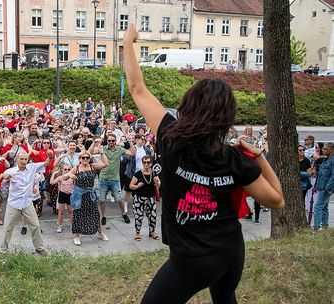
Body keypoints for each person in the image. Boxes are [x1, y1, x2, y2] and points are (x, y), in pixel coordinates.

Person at [123, 24, 284, 303]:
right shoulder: (234, 159)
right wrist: (258, 156)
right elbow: (277, 200)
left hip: (190, 261)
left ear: (189, 105)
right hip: (230, 252)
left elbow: (137, 89)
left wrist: (127, 41)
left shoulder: (171, 138)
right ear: (226, 118)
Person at [0, 151, 54, 255]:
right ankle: (3, 250)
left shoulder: (32, 167)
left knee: (35, 226)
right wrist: (3, 177)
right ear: (17, 159)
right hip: (14, 204)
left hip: (27, 203)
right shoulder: (11, 171)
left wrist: (50, 156)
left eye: (26, 159)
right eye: (21, 159)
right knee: (7, 228)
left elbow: (46, 163)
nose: (24, 161)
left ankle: (39, 248)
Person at [129, 155, 160, 241]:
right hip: (139, 198)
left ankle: (152, 232)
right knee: (138, 216)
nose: (146, 164)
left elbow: (158, 185)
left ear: (151, 163)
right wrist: (137, 186)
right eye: (144, 162)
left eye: (148, 162)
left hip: (150, 198)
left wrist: (157, 182)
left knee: (153, 216)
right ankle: (137, 233)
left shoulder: (154, 173)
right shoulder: (138, 173)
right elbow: (130, 186)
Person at [312, 142, 333, 231]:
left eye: (325, 149)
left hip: (326, 188)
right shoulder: (326, 159)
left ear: (332, 150)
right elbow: (320, 174)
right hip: (321, 186)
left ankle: (316, 227)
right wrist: (316, 186)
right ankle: (325, 226)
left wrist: (328, 188)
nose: (323, 150)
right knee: (324, 207)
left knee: (317, 207)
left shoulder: (332, 160)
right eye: (323, 149)